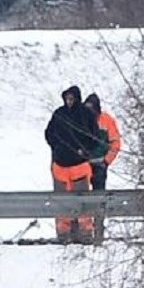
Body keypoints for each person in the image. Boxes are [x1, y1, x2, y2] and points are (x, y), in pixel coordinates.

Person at [45, 84, 100, 244]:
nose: (69, 101)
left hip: (79, 165)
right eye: (67, 98)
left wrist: (85, 150)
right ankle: (63, 233)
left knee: (83, 201)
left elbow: (93, 136)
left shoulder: (86, 115)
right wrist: (56, 146)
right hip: (60, 164)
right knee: (61, 201)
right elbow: (49, 133)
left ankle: (85, 234)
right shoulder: (59, 114)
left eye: (72, 98)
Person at [83, 93, 121, 192]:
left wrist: (106, 161)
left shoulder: (107, 120)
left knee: (99, 195)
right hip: (82, 165)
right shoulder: (80, 120)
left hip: (100, 164)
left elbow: (115, 142)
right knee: (81, 196)